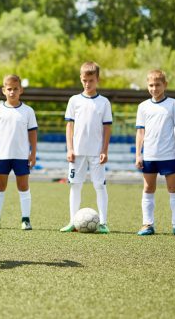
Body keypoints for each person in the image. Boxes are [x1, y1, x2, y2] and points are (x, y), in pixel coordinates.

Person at [60, 62, 112, 234]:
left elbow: (107, 127)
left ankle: (103, 222)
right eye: (84, 80)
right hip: (77, 152)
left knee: (100, 186)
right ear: (80, 79)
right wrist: (70, 148)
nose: (87, 84)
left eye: (91, 80)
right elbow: (69, 126)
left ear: (97, 79)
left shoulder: (104, 102)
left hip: (97, 153)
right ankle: (73, 221)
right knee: (75, 185)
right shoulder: (74, 100)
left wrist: (104, 150)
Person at [135, 70, 175, 236]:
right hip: (149, 155)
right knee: (148, 188)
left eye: (158, 85)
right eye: (151, 85)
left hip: (169, 156)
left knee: (173, 188)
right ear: (147, 86)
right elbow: (140, 133)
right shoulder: (143, 106)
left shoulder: (173, 104)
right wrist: (138, 154)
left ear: (165, 85)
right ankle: (147, 224)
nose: (154, 88)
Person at [0, 75, 38, 231]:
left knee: (23, 186)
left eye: (15, 89)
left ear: (20, 90)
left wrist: (33, 153)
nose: (12, 92)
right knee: (0, 185)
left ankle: (26, 220)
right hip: (2, 155)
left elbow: (33, 134)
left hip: (22, 156)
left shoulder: (28, 111)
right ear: (4, 90)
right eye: (9, 89)